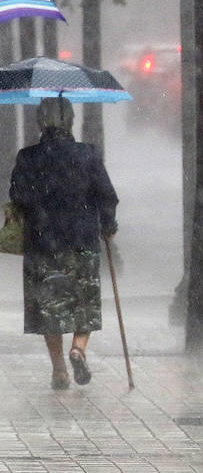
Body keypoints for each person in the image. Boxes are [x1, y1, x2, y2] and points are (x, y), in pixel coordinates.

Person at [8, 96, 118, 390]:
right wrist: (108, 225)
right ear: (70, 120)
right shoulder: (88, 155)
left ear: (40, 122)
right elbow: (106, 194)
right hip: (81, 240)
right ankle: (78, 349)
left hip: (42, 243)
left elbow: (18, 197)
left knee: (49, 307)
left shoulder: (28, 157)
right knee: (84, 303)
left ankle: (59, 369)